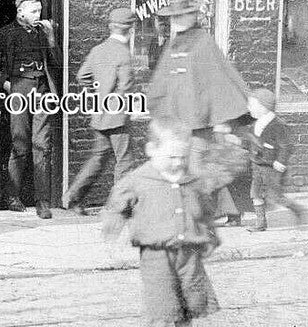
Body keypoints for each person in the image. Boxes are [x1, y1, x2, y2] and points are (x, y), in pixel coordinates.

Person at [102, 119, 246, 327]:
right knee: (163, 304)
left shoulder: (193, 179)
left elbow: (204, 210)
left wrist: (210, 236)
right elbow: (117, 205)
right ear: (151, 150)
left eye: (183, 157)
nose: (178, 163)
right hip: (156, 254)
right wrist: (112, 227)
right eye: (171, 157)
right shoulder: (138, 180)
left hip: (189, 253)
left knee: (189, 301)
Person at [146, 0, 250, 227]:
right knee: (191, 166)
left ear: (193, 16)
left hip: (200, 121)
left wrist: (221, 120)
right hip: (179, 120)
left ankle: (211, 213)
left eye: (181, 15)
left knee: (197, 166)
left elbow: (218, 80)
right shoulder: (175, 43)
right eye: (173, 16)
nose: (176, 20)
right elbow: (166, 80)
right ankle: (225, 211)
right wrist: (159, 108)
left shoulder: (203, 42)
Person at [0, 0, 62, 219]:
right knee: (20, 144)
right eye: (34, 11)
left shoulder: (43, 33)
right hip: (18, 91)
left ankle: (42, 201)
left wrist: (50, 38)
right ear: (20, 12)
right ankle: (12, 196)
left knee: (42, 145)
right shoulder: (4, 34)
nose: (39, 15)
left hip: (42, 92)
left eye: (40, 11)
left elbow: (57, 63)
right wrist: (8, 85)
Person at [65, 7, 137, 215]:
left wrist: (99, 94)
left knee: (97, 159)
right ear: (129, 29)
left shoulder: (99, 49)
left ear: (111, 27)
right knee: (124, 161)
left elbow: (82, 76)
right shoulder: (124, 54)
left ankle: (72, 197)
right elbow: (126, 87)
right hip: (118, 118)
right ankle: (121, 207)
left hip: (100, 115)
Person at [240, 89, 306, 231]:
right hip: (257, 165)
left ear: (264, 107)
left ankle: (297, 209)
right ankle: (261, 224)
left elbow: (286, 145)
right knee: (255, 193)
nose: (249, 108)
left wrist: (281, 161)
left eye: (252, 105)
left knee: (275, 196)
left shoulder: (278, 125)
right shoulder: (255, 124)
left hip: (272, 168)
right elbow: (250, 141)